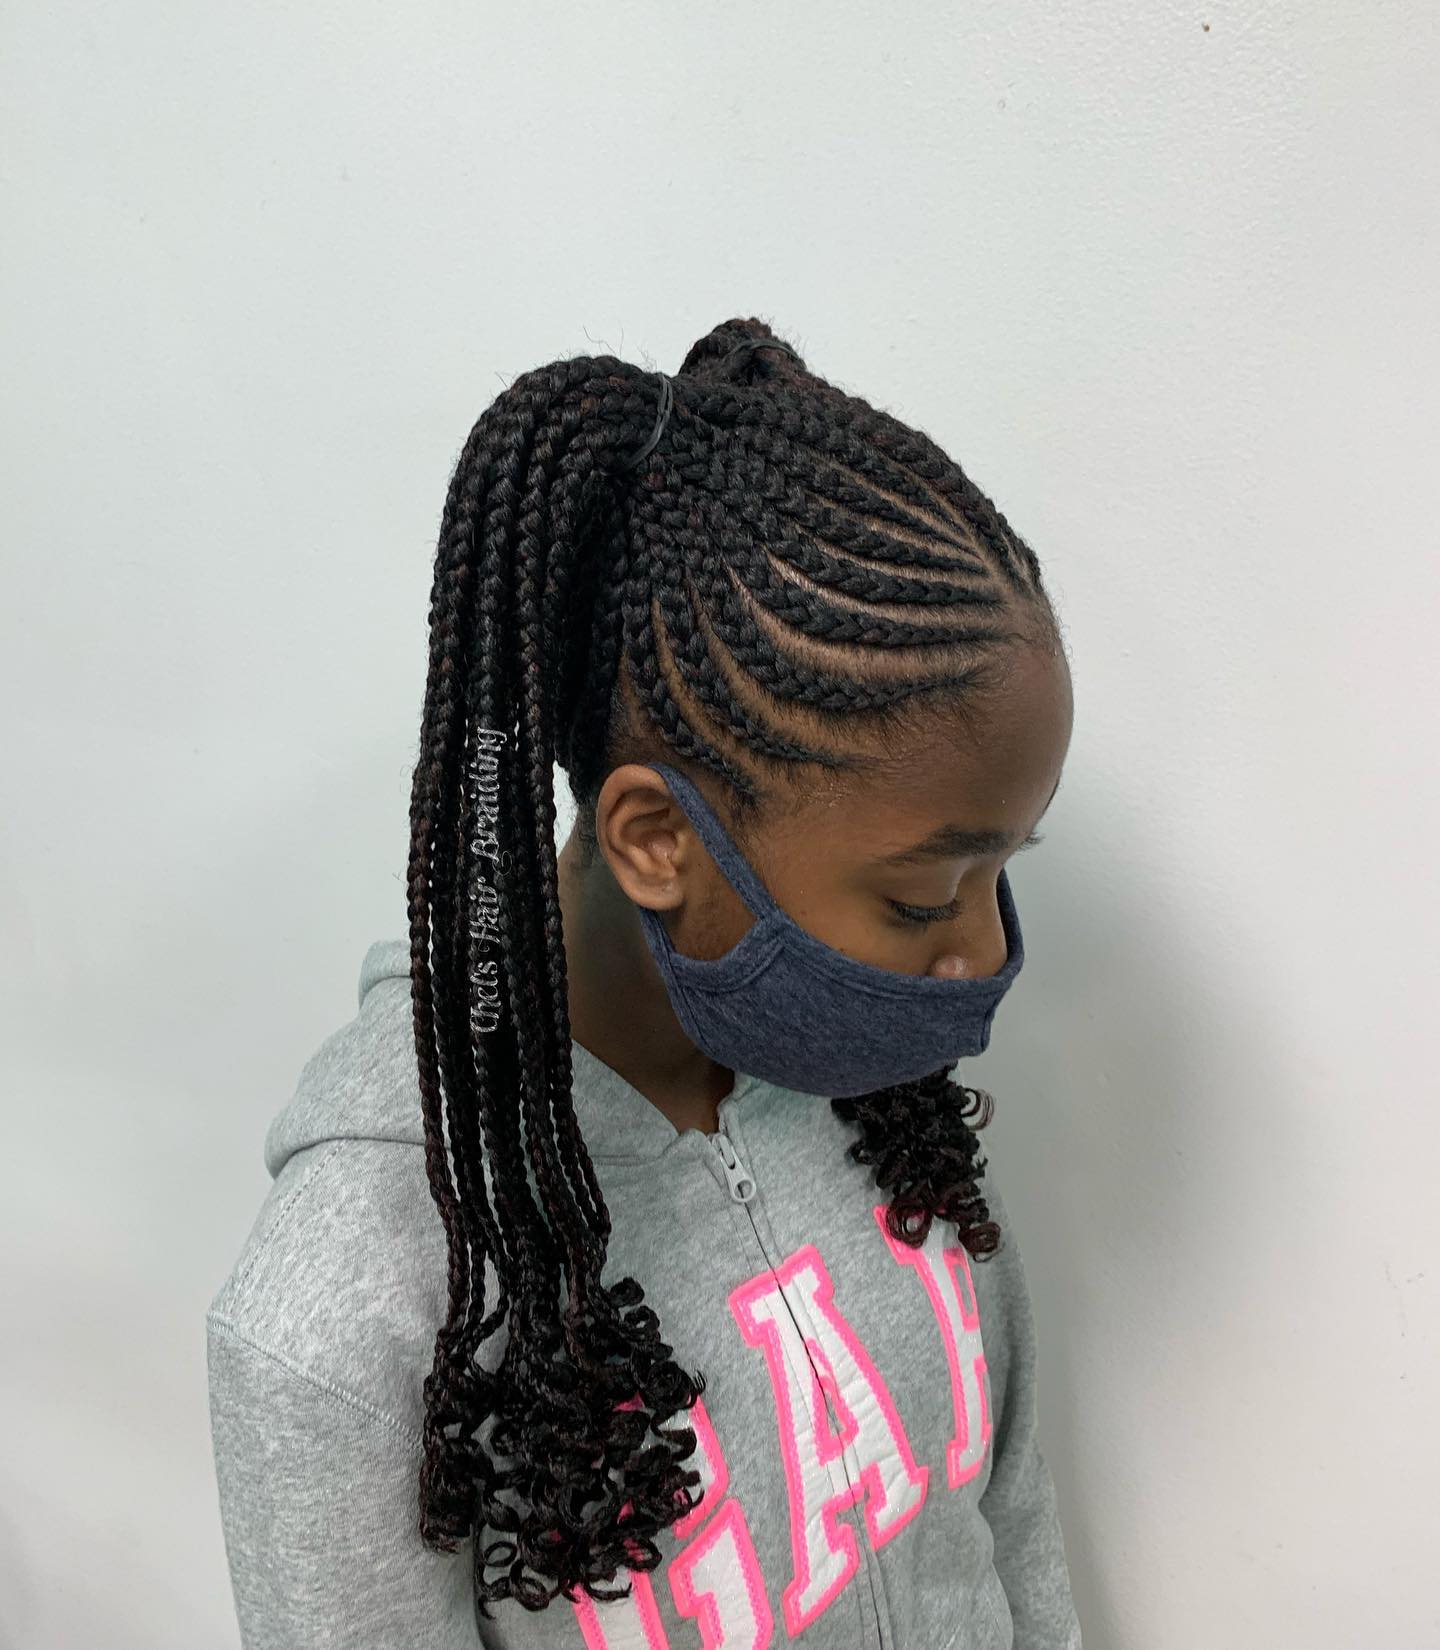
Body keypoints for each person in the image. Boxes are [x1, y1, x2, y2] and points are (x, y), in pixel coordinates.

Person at [206, 319, 1083, 1648]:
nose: (977, 953)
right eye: (921, 897)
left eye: (1001, 870)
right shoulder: (349, 1302)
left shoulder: (875, 1080)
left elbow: (1009, 1510)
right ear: (658, 840)